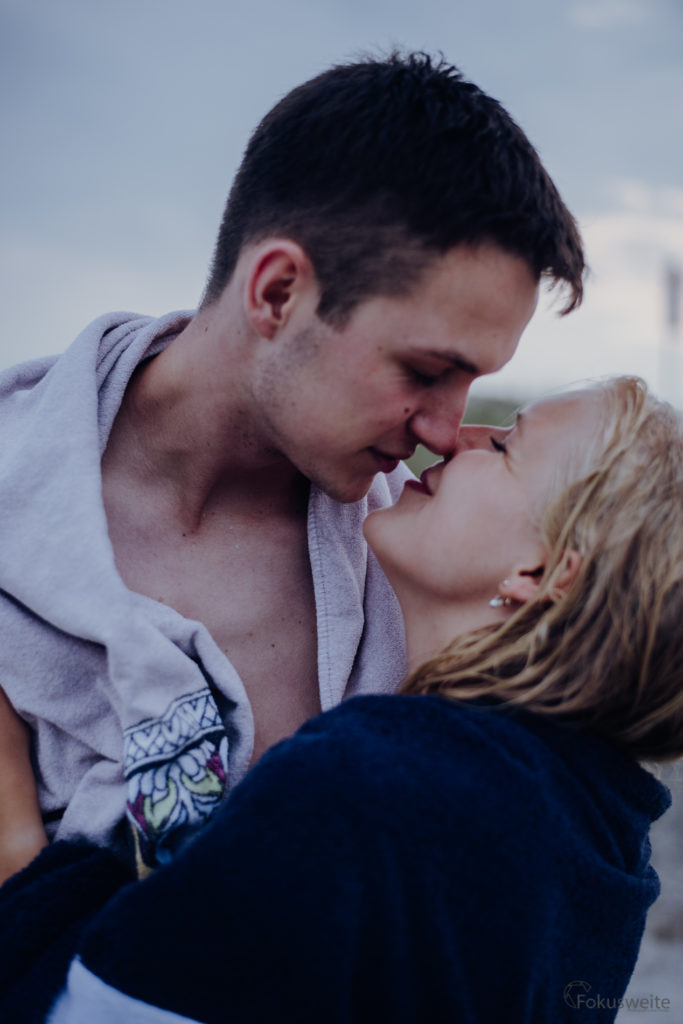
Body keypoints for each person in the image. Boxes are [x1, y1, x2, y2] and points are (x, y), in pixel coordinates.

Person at [0, 52, 584, 875]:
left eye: (473, 381)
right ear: (277, 292)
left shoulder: (430, 557)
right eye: (423, 370)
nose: (448, 432)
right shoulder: (14, 512)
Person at [40, 376, 682, 1024]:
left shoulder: (368, 784)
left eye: (506, 444)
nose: (456, 437)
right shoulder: (606, 847)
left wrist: (20, 853)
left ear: (540, 574)